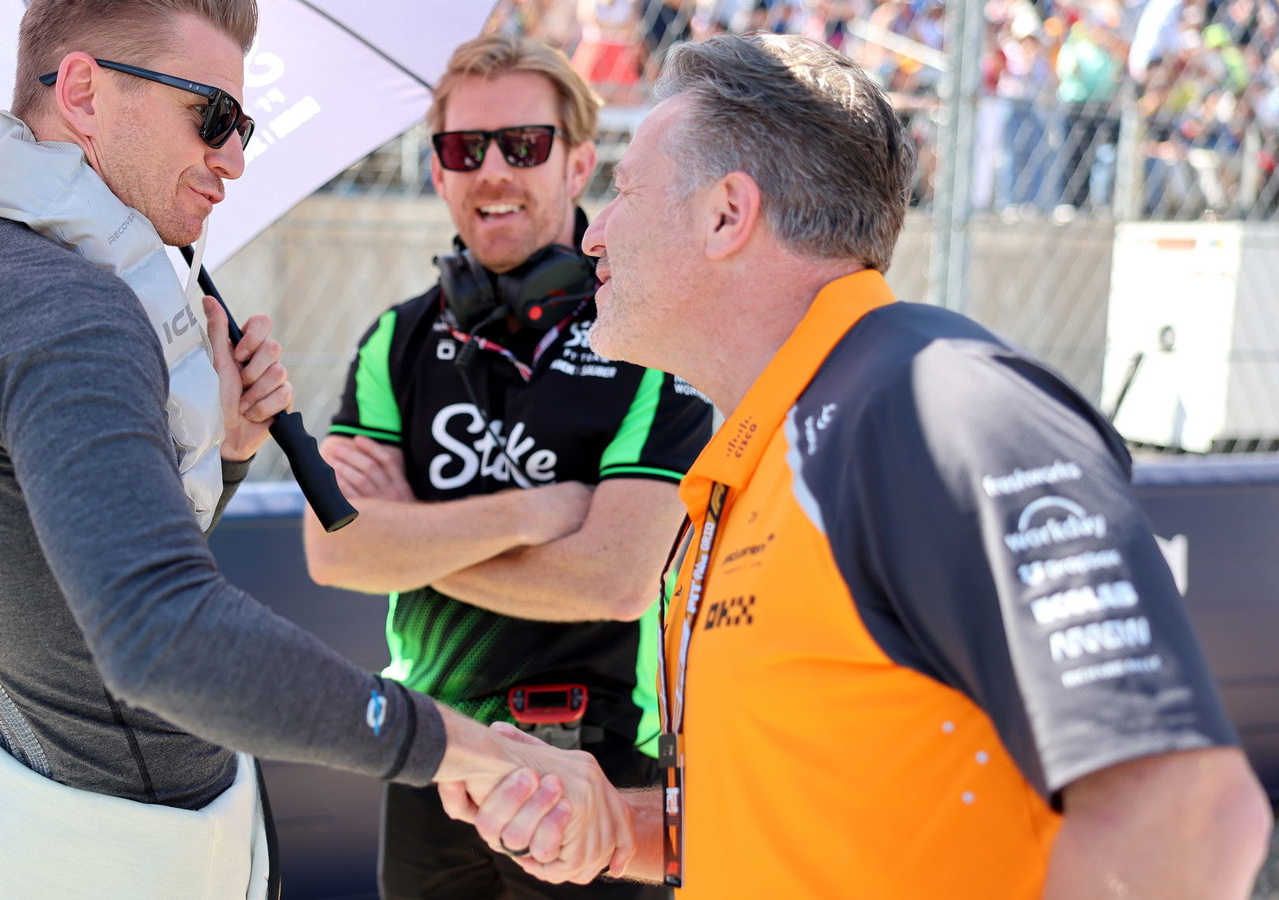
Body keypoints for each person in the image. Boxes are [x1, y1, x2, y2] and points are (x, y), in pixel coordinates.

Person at [448, 32, 1273, 898]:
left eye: (623, 193)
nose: (595, 233)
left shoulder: (930, 404)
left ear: (727, 214)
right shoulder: (770, 453)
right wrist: (617, 827)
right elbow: (812, 809)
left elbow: (1189, 815)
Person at [0, 2, 634, 896]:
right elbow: (163, 637)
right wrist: (465, 749)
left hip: (29, 822)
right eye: (211, 115)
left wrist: (224, 454)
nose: (232, 156)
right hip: (125, 850)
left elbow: (55, 583)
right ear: (82, 91)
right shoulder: (67, 307)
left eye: (244, 126)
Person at [302, 33, 712, 900]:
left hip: (598, 766)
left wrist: (407, 541)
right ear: (438, 170)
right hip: (431, 751)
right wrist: (536, 512)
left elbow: (615, 579)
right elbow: (335, 550)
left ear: (578, 164)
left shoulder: (655, 336)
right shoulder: (396, 338)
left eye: (523, 145)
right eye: (464, 148)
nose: (492, 170)